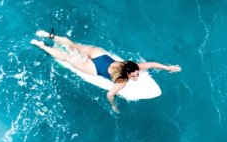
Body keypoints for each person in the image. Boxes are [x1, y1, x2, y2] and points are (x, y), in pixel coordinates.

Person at [30, 30, 181, 112]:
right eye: (134, 76)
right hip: (94, 68)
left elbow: (152, 64)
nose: (136, 77)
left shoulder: (133, 65)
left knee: (75, 46)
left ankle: (50, 35)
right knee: (66, 57)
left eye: (137, 75)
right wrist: (113, 105)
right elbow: (110, 94)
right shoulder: (122, 81)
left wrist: (168, 68)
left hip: (99, 55)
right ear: (127, 73)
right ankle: (41, 45)